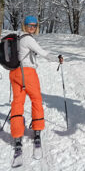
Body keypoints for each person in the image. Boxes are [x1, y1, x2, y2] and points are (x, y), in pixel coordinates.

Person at [9, 15, 63, 153]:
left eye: (34, 25)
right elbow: (43, 53)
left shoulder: (17, 37)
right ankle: (37, 129)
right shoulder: (28, 38)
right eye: (29, 25)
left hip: (14, 73)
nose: (32, 27)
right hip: (27, 73)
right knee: (36, 100)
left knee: (17, 103)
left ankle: (17, 134)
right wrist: (57, 58)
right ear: (25, 25)